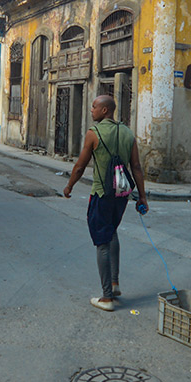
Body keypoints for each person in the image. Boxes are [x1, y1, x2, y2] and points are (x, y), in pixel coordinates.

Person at [63, 95, 148, 312]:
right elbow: (136, 167)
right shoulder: (128, 133)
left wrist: (69, 186)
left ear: (104, 111)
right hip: (121, 196)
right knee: (112, 233)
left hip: (102, 194)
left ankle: (107, 297)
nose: (91, 110)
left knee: (102, 241)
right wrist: (143, 196)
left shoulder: (94, 133)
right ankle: (115, 283)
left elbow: (80, 166)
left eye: (94, 107)